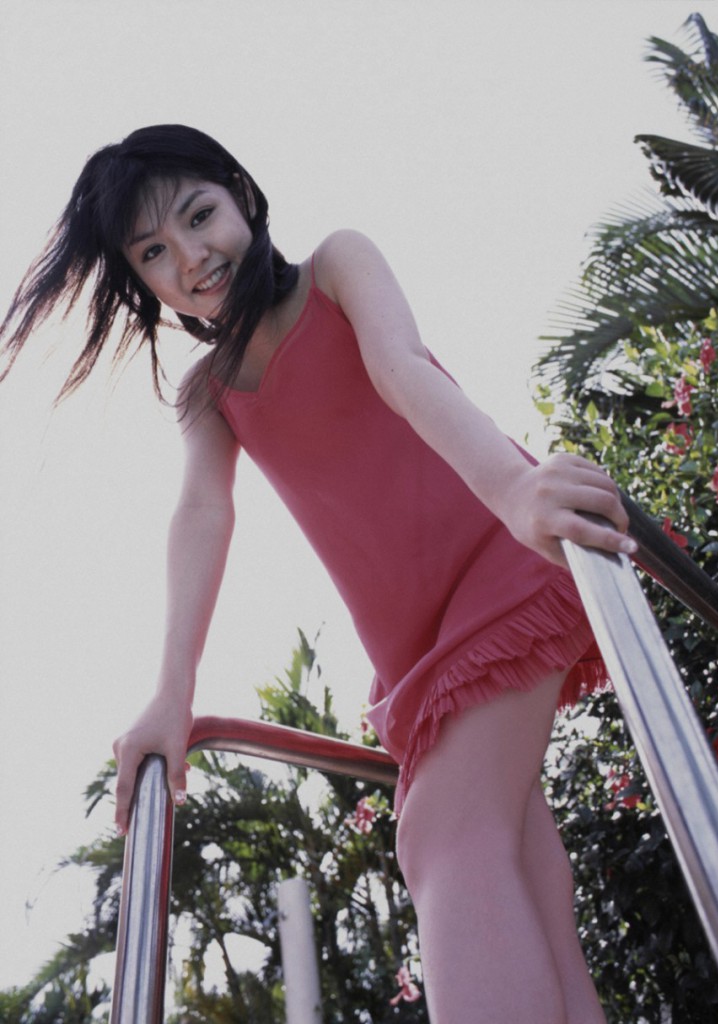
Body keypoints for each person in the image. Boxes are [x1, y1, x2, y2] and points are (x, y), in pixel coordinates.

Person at [1, 124, 636, 1023]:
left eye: (199, 216)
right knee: (520, 872)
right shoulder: (207, 394)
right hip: (414, 649)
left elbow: (401, 368)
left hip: (497, 565)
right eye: (154, 252)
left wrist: (513, 488)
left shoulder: (336, 268)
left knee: (442, 832)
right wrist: (171, 695)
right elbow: (201, 516)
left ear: (242, 195)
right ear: (142, 282)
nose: (191, 256)